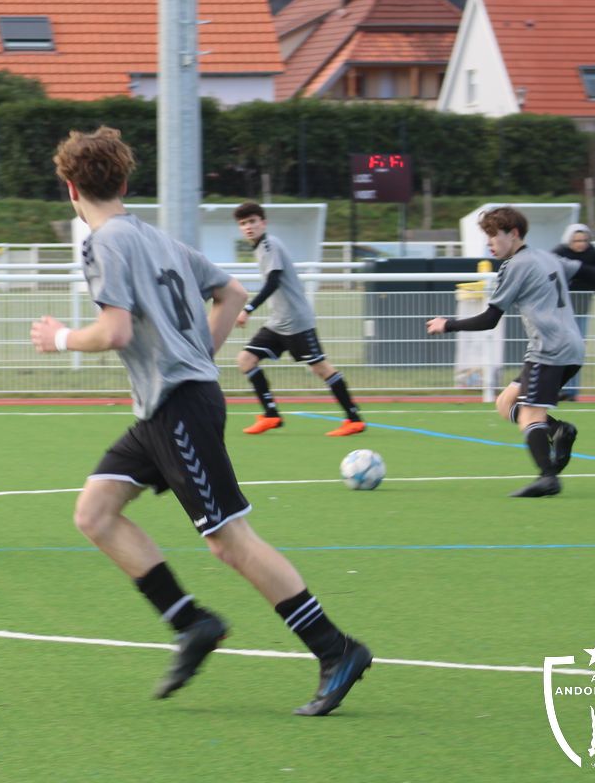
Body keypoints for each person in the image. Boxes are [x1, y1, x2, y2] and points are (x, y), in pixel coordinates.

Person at [29, 127, 371, 714]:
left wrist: (59, 338)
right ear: (124, 182)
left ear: (70, 189)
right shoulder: (155, 237)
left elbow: (115, 331)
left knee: (229, 541)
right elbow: (233, 294)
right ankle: (192, 624)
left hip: (179, 408)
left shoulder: (103, 242)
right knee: (95, 512)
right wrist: (198, 357)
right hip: (166, 407)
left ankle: (335, 648)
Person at [426, 207, 595, 496]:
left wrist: (447, 324)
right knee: (506, 403)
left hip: (549, 351)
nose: (489, 243)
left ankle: (548, 477)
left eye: (493, 235)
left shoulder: (515, 266)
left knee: (529, 415)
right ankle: (559, 431)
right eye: (486, 236)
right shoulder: (548, 257)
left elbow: (490, 319)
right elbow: (593, 276)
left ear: (513, 233)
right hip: (571, 348)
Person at [230, 202, 364, 436]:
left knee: (321, 368)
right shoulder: (261, 247)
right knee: (246, 360)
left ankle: (354, 419)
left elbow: (273, 281)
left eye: (252, 221)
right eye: (243, 223)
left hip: (296, 322)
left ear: (263, 223)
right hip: (278, 322)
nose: (248, 227)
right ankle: (271, 415)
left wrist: (248, 309)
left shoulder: (269, 245)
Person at [550, 222, 595, 400]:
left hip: (583, 308)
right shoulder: (559, 252)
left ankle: (571, 391)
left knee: (577, 348)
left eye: (584, 240)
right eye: (577, 240)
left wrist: (584, 274)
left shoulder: (592, 253)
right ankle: (556, 389)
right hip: (560, 310)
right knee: (559, 348)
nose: (581, 244)